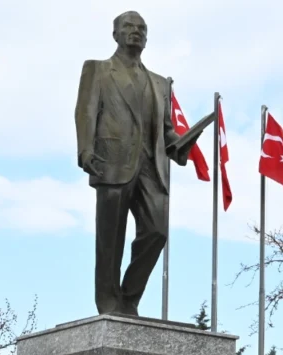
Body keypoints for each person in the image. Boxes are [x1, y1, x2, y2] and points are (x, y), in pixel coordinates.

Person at [74, 11, 212, 316]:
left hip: (151, 167)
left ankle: (129, 297)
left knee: (156, 232)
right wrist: (85, 150)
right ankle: (110, 303)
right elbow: (85, 111)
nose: (135, 32)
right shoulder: (97, 70)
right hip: (111, 163)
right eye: (128, 27)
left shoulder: (160, 83)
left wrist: (183, 142)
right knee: (110, 239)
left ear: (147, 38)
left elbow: (165, 130)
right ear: (115, 35)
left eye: (141, 28)